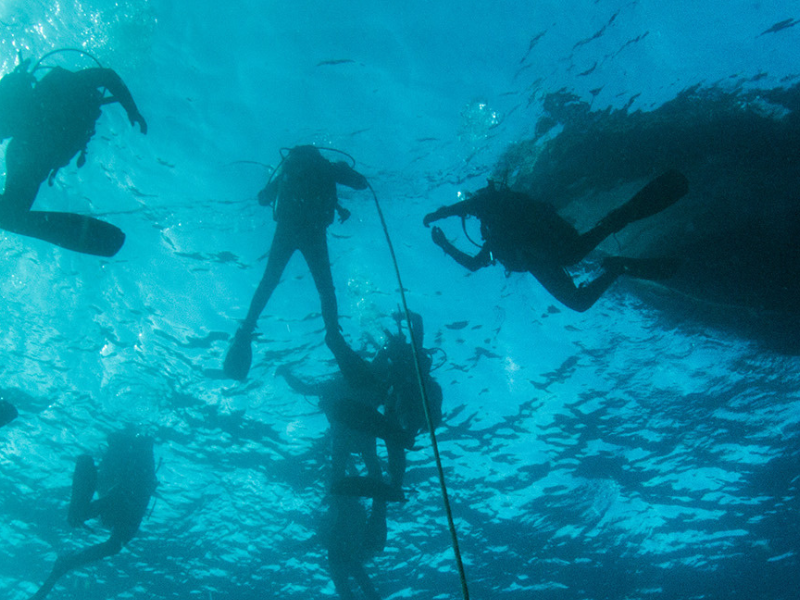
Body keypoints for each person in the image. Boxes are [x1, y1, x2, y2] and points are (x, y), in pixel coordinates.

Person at [423, 170, 689, 312]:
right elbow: (473, 264)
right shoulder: (494, 238)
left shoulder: (497, 208)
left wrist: (441, 213)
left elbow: (474, 204)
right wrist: (444, 244)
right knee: (579, 302)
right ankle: (618, 267)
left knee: (571, 255)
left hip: (554, 243)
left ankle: (616, 220)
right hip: (543, 262)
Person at [224, 145, 371, 382]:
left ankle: (246, 329)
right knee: (325, 287)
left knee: (269, 281)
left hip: (288, 227)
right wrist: (342, 172)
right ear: (317, 155)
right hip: (314, 230)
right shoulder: (325, 167)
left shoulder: (288, 170)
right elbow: (361, 183)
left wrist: (270, 190)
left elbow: (264, 198)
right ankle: (333, 333)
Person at [0, 56, 147, 257]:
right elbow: (106, 76)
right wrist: (132, 110)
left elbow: (107, 75)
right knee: (10, 216)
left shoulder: (60, 88)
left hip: (34, 153)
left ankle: (101, 238)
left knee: (10, 216)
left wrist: (132, 110)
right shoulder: (67, 88)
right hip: (34, 154)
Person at [28, 430, 158, 600]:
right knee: (78, 516)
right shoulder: (127, 520)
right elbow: (113, 543)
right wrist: (68, 563)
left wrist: (67, 564)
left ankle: (101, 457)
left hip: (126, 480)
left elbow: (112, 540)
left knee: (78, 515)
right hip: (128, 482)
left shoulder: (125, 514)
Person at [324, 494, 386, 600]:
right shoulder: (354, 516)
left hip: (341, 552)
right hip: (346, 552)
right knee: (352, 584)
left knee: (345, 587)